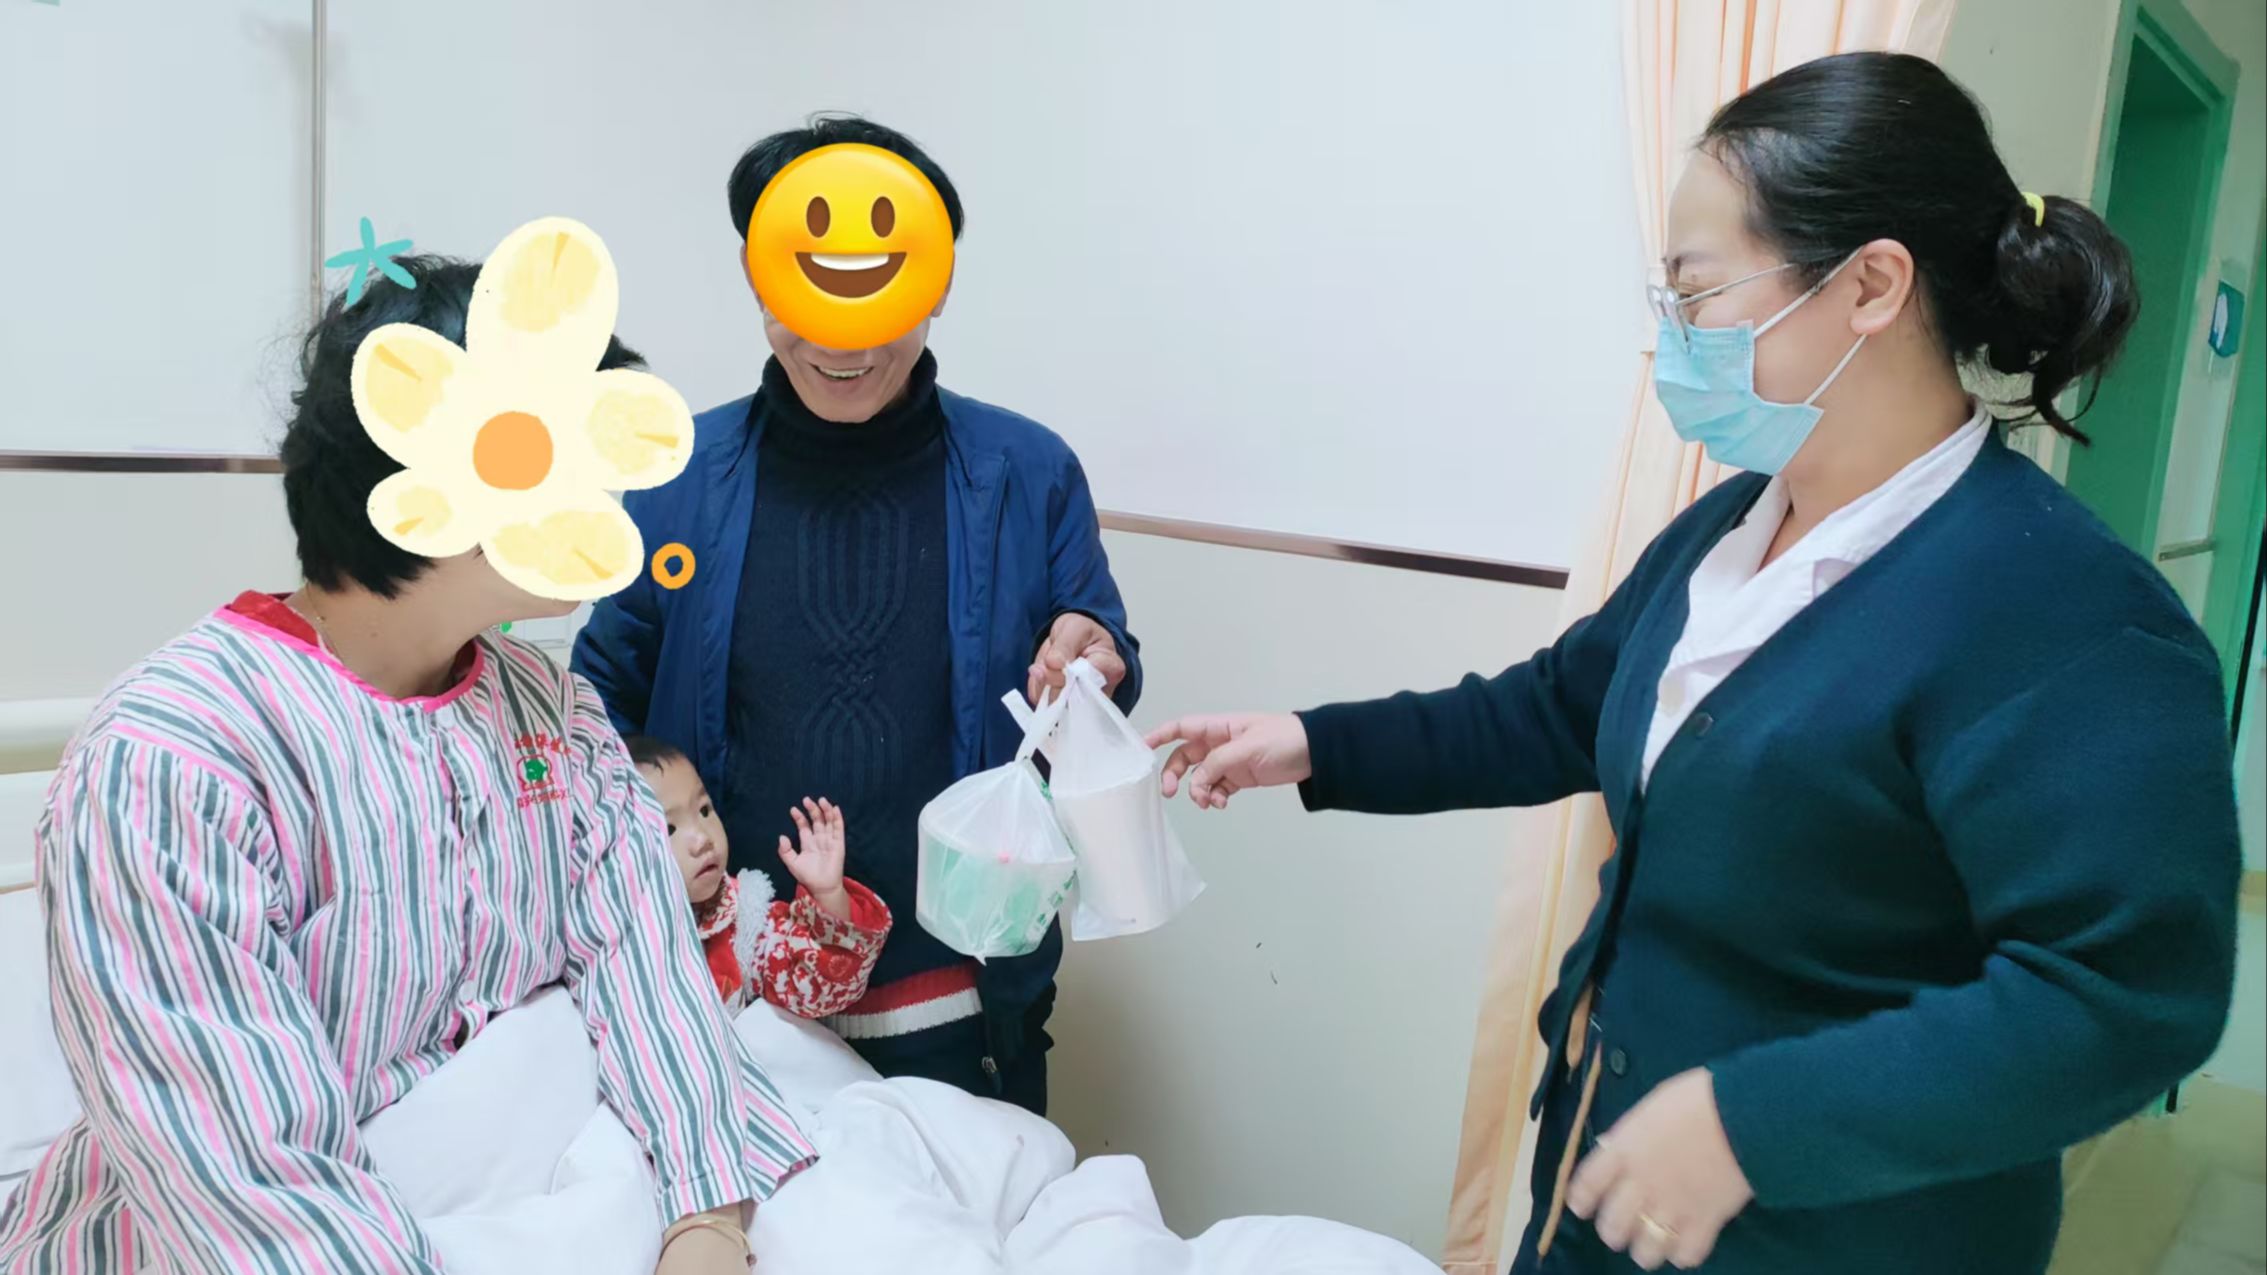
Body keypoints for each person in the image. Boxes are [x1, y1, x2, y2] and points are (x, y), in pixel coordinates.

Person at [1143, 53, 2240, 1275]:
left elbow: (2121, 995)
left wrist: (1752, 1124)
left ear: (1870, 285)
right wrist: (1314, 744)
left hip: (1842, 1233)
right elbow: (1561, 709)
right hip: (1614, 1184)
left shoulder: (2064, 615)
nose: (1670, 334)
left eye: (1697, 292)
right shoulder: (1732, 527)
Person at [0, 258, 807, 1275]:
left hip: (544, 1189)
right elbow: (249, 1182)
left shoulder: (554, 713)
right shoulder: (172, 761)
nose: (600, 497)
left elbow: (649, 978)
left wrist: (707, 1221)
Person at [572, 114, 1139, 1117]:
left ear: (934, 282)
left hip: (958, 1004)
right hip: (728, 1001)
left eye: (876, 293)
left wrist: (1097, 659)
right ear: (759, 282)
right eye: (809, 294)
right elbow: (598, 709)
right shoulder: (676, 479)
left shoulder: (1028, 470)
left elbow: (1099, 676)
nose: (843, 340)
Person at [623, 734, 891, 1016]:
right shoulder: (605, 947)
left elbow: (817, 989)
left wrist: (828, 895)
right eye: (669, 829)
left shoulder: (740, 920)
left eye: (704, 810)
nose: (702, 839)